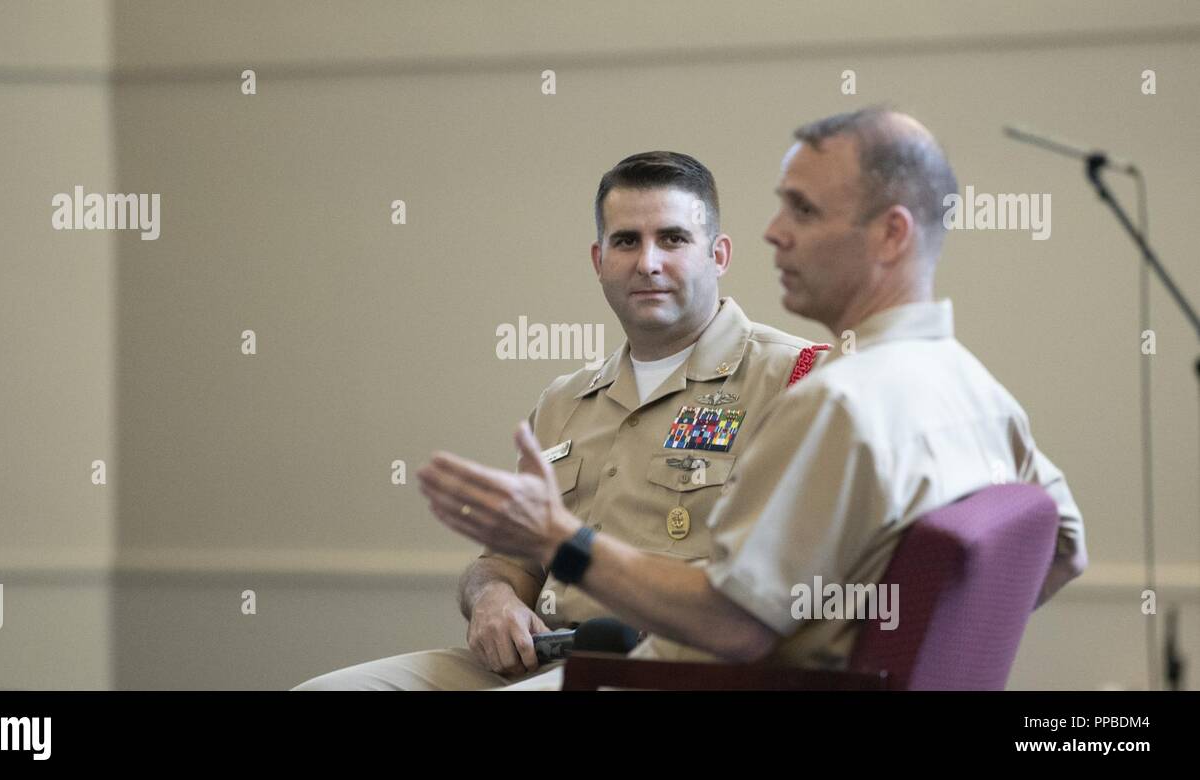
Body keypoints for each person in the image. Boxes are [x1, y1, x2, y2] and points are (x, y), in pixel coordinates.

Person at [417, 107, 1086, 688]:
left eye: (803, 209)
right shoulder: (972, 384)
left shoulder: (828, 396)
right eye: (626, 241)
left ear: (891, 234)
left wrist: (559, 537)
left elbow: (732, 626)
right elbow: (1062, 545)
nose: (774, 231)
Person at [293, 151, 826, 690]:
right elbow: (507, 562)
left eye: (672, 238)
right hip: (544, 658)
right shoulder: (563, 402)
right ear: (598, 260)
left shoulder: (794, 379)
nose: (648, 262)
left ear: (719, 254)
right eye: (626, 241)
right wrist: (492, 598)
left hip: (683, 668)